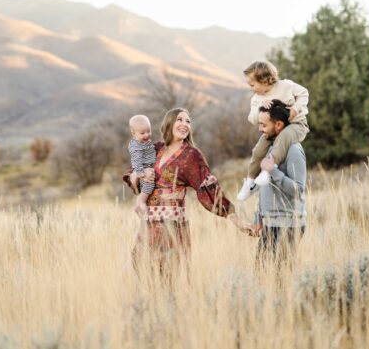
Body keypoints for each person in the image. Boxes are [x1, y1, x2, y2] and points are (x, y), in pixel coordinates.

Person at [125, 108, 252, 279]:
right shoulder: (155, 148)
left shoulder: (191, 155)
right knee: (140, 274)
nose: (185, 124)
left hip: (172, 225)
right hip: (148, 223)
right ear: (169, 123)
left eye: (188, 121)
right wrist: (136, 177)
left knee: (169, 277)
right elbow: (134, 171)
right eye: (180, 119)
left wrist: (236, 220)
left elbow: (210, 188)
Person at [237, 60, 310, 201]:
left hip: (297, 124)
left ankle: (267, 171)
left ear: (264, 81)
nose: (251, 89)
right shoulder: (257, 99)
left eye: (252, 85)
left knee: (284, 137)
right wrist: (259, 108)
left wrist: (295, 108)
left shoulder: (286, 86)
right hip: (273, 131)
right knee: (258, 150)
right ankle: (250, 182)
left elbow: (304, 93)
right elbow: (252, 119)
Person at [250, 100, 307, 272]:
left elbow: (298, 190)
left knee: (280, 280)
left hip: (289, 225)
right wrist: (259, 217)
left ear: (279, 125)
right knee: (262, 275)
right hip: (271, 224)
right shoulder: (271, 147)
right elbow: (265, 187)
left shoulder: (294, 150)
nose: (260, 129)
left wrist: (274, 171)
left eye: (263, 125)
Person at [127, 114, 156, 196]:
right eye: (142, 133)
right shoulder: (136, 146)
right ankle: (142, 200)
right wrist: (141, 173)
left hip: (149, 166)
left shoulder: (143, 141)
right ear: (133, 134)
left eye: (148, 131)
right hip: (144, 169)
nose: (146, 135)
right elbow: (136, 160)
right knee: (149, 184)